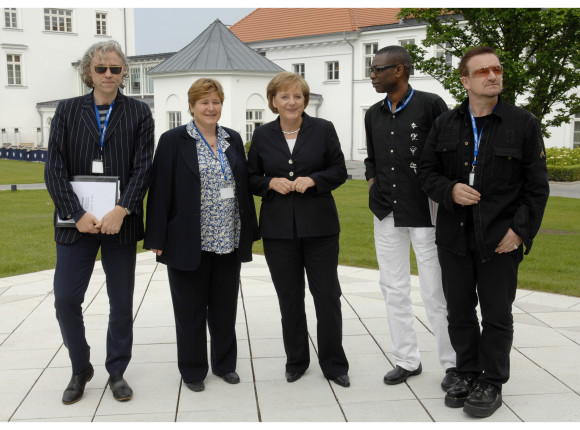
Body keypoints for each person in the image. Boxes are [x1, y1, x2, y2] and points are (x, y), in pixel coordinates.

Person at [419, 46, 549, 418]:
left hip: (499, 239)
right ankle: (467, 372)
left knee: (496, 314)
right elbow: (426, 172)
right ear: (465, 81)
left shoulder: (523, 123)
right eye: (482, 72)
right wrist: (450, 190)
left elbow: (536, 187)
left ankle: (492, 380)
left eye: (497, 70)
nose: (493, 76)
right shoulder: (445, 123)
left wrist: (520, 232)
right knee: (458, 311)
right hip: (454, 237)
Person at [44, 40, 154, 404]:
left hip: (119, 222)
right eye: (101, 68)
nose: (109, 75)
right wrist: (76, 214)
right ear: (88, 72)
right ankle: (81, 367)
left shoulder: (139, 113)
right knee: (65, 300)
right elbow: (54, 168)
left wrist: (122, 209)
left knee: (120, 302)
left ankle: (117, 370)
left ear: (124, 73)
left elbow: (143, 168)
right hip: (76, 223)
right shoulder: (67, 111)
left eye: (116, 69)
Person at [144, 78, 259, 393]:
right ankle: (193, 371)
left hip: (228, 239)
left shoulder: (232, 139)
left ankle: (225, 365)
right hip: (187, 240)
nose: (211, 108)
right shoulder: (173, 140)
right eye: (204, 102)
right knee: (190, 310)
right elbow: (160, 191)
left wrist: (250, 230)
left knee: (225, 309)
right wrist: (156, 237)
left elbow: (243, 190)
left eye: (216, 102)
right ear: (192, 106)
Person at [247, 71, 350, 388]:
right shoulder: (262, 135)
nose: (291, 102)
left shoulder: (323, 129)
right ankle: (296, 360)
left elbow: (339, 171)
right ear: (273, 102)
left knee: (327, 296)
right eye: (284, 96)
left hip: (320, 228)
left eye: (297, 96)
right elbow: (249, 177)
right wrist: (268, 183)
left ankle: (334, 364)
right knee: (289, 298)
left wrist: (315, 180)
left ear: (305, 100)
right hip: (279, 231)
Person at [364, 45, 458, 390]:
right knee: (393, 288)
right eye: (372, 70)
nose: (372, 75)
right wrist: (374, 180)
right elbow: (372, 158)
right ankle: (406, 358)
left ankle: (453, 363)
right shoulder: (372, 113)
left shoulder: (431, 104)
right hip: (386, 211)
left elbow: (449, 153)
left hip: (426, 211)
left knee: (435, 289)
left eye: (377, 69)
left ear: (399, 70)